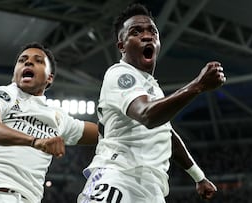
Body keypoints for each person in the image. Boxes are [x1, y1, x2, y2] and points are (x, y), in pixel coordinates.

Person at [78, 4, 225, 203]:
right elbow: (147, 115)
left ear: (158, 42)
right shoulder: (119, 74)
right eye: (136, 32)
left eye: (152, 31)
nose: (147, 36)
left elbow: (166, 134)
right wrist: (197, 86)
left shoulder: (152, 88)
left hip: (151, 189)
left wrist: (199, 177)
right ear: (121, 46)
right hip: (117, 177)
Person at [0, 42, 98, 203]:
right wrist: (35, 141)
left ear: (49, 77)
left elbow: (104, 132)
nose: (28, 62)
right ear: (15, 73)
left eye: (38, 60)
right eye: (22, 60)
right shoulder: (2, 94)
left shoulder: (58, 117)